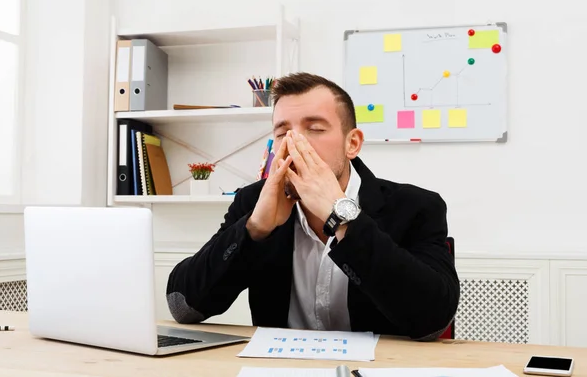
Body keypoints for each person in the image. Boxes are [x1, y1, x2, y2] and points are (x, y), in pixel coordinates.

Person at [166, 72, 460, 341]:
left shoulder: (416, 207)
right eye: (282, 133)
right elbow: (184, 306)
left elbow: (432, 321)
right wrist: (254, 229)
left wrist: (343, 218)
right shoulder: (252, 202)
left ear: (352, 144)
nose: (295, 144)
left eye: (315, 129)